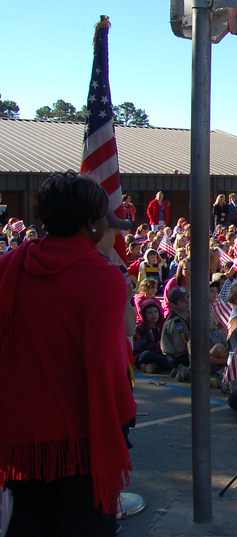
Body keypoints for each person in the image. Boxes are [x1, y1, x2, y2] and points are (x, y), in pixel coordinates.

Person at [0, 172, 135, 536]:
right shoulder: (101, 278)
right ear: (91, 224)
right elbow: (106, 365)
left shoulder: (9, 266)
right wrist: (122, 419)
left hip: (22, 432)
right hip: (82, 434)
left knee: (28, 521)